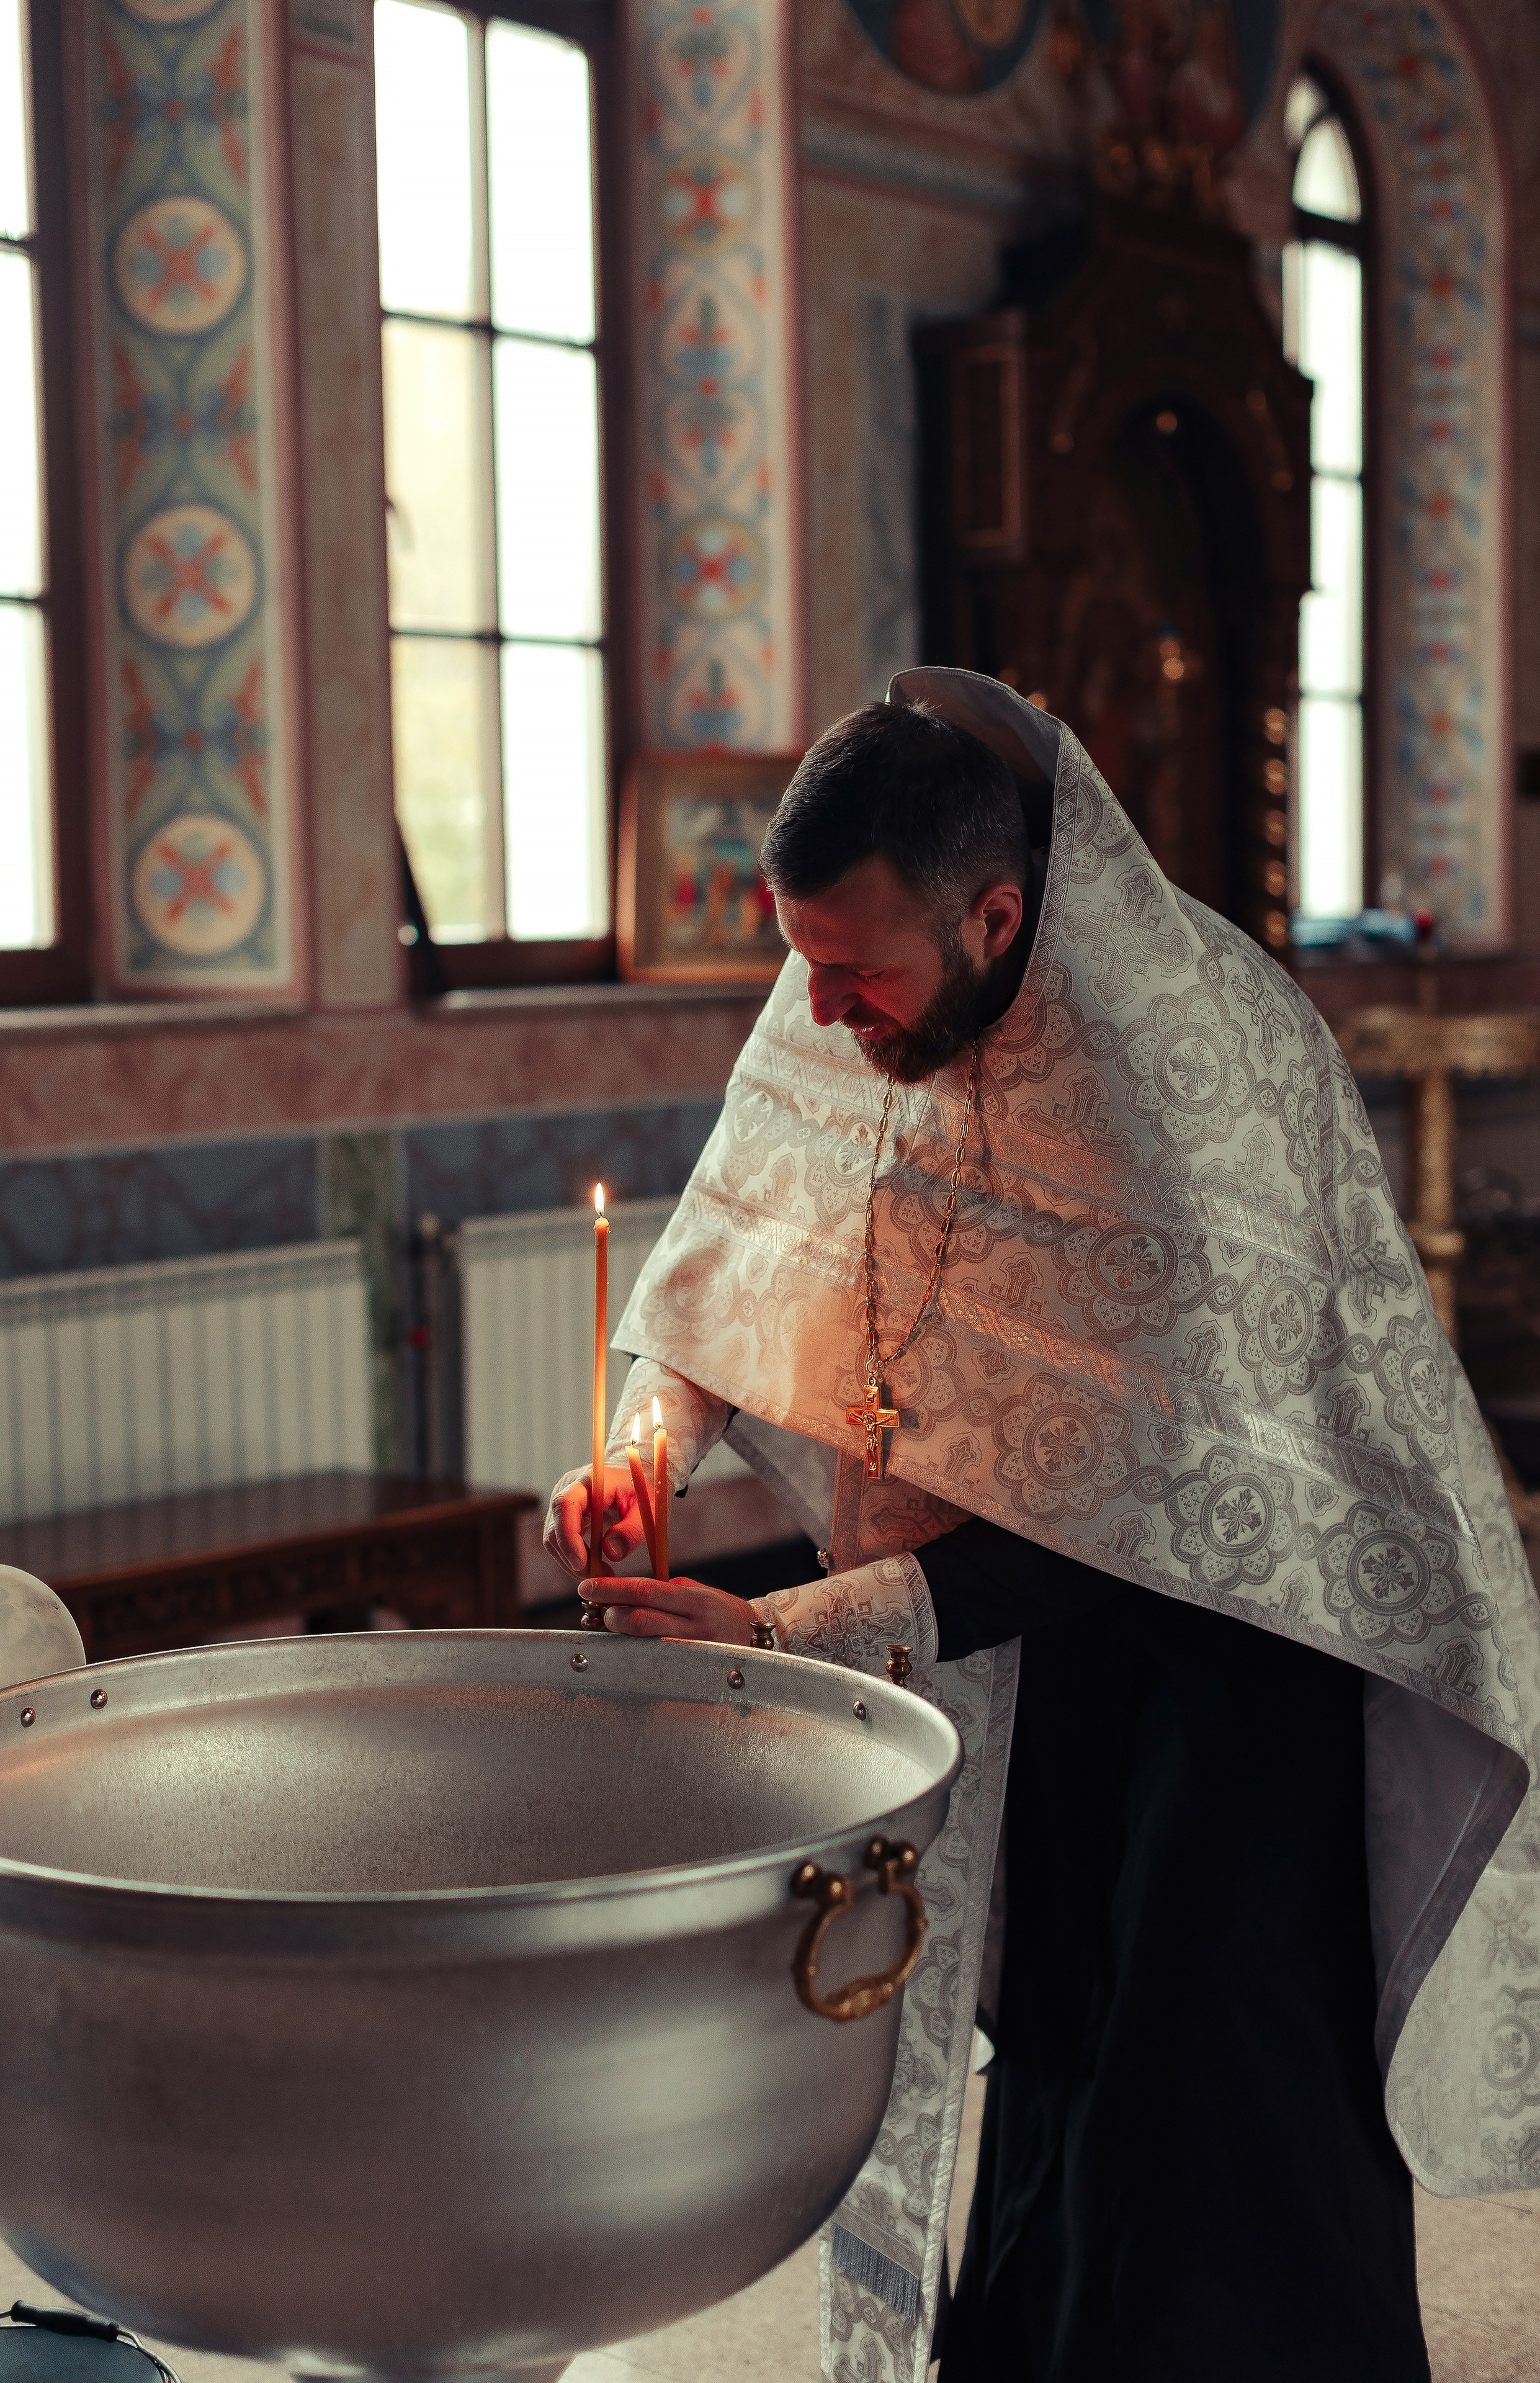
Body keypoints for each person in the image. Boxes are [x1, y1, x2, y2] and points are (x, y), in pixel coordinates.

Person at [546, 669, 1540, 2383]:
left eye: (858, 974)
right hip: (1039, 1653)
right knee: (1062, 2039)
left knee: (1206, 2098)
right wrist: (650, 1449)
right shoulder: (854, 985)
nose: (823, 1013)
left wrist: (784, 1632)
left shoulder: (1180, 1069)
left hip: (1242, 1653)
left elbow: (1142, 1504)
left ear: (997, 919)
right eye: (803, 965)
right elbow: (740, 1257)